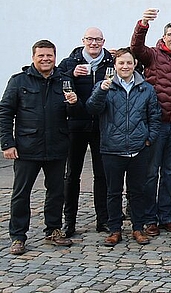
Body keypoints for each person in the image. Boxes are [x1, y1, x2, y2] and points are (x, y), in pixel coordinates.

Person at [0, 40, 77, 255]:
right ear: (33, 57)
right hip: (27, 147)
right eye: (41, 56)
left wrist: (74, 103)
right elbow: (5, 112)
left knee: (56, 193)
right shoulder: (19, 81)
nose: (46, 59)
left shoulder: (63, 81)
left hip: (57, 146)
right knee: (21, 194)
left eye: (49, 56)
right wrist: (7, 143)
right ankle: (18, 236)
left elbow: (75, 112)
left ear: (55, 57)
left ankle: (53, 229)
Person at [86, 48, 161, 247]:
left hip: (138, 148)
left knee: (137, 191)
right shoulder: (105, 86)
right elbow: (92, 109)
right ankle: (115, 229)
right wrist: (101, 91)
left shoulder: (146, 88)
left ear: (135, 64)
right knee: (113, 192)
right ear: (115, 66)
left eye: (129, 63)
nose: (125, 66)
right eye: (121, 63)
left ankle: (138, 227)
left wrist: (149, 138)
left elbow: (154, 116)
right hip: (112, 148)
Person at [130, 8, 171, 235]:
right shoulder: (153, 55)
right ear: (164, 37)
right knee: (151, 172)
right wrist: (143, 24)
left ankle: (166, 215)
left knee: (169, 172)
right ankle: (149, 218)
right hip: (156, 123)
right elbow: (136, 48)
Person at [57, 27, 113, 237]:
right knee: (72, 174)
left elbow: (130, 66)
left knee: (102, 174)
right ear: (83, 41)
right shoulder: (70, 62)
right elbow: (56, 79)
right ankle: (69, 220)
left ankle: (103, 219)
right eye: (90, 39)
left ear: (103, 41)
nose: (94, 43)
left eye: (98, 39)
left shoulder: (110, 62)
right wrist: (71, 74)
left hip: (101, 125)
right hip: (76, 124)